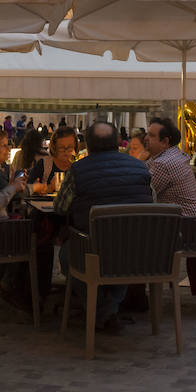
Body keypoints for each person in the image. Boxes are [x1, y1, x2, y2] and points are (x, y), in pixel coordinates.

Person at [53, 121, 153, 331]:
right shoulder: (140, 168)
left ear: (87, 146)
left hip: (92, 250)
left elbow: (60, 208)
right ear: (118, 143)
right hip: (135, 251)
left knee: (67, 256)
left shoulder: (77, 170)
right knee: (121, 252)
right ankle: (109, 310)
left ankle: (101, 310)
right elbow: (148, 204)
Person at [145, 116, 196, 217]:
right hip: (193, 221)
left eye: (151, 135)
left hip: (185, 225)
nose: (145, 138)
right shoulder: (173, 154)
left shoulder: (163, 164)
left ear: (165, 142)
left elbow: (145, 194)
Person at [29, 125, 77, 193]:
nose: (66, 151)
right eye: (61, 147)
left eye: (70, 147)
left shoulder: (79, 166)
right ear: (54, 147)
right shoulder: (44, 164)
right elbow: (28, 189)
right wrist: (48, 188)